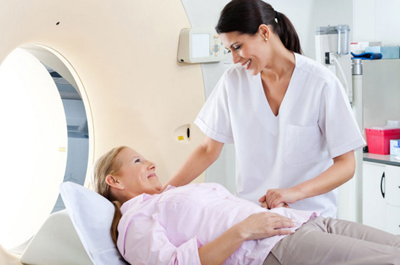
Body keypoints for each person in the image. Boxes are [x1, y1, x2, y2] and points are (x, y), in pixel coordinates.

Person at [163, 0, 365, 218]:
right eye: (229, 50)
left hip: (309, 218)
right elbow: (207, 150)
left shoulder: (321, 83)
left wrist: (293, 193)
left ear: (264, 32)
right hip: (253, 218)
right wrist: (162, 195)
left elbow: (346, 165)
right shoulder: (233, 82)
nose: (234, 59)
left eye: (238, 47)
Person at [92, 146, 400, 265]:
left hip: (298, 220)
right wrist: (243, 230)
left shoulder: (165, 196)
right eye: (137, 160)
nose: (150, 161)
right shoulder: (136, 221)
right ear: (114, 181)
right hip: (272, 247)